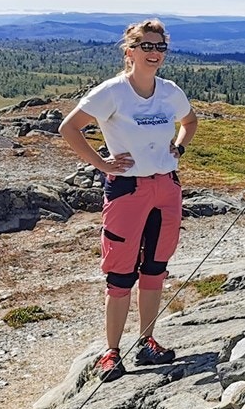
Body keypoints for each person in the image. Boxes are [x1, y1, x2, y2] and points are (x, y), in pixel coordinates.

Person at [59, 19, 197, 382]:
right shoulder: (112, 92)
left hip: (166, 188)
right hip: (128, 191)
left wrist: (178, 147)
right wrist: (102, 163)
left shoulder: (169, 91)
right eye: (147, 46)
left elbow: (190, 121)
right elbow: (69, 127)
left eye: (160, 47)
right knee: (120, 274)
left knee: (155, 270)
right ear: (130, 51)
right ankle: (111, 352)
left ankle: (147, 341)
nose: (154, 53)